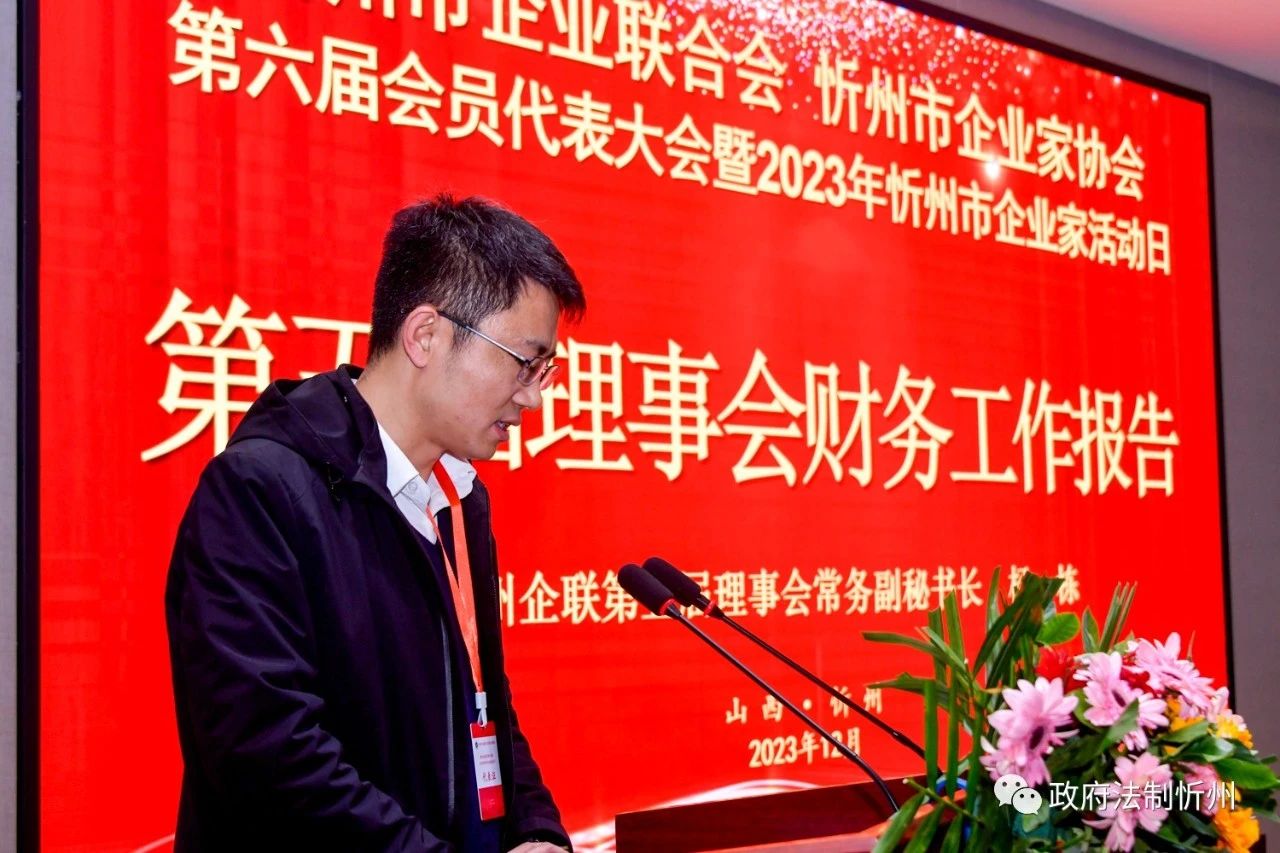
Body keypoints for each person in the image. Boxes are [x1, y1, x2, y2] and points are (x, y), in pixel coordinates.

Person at [165, 193, 585, 852]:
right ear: (426, 335)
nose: (533, 396)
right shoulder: (260, 491)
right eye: (523, 364)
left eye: (546, 371)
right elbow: (270, 760)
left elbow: (485, 704)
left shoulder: (460, 501)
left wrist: (537, 833)